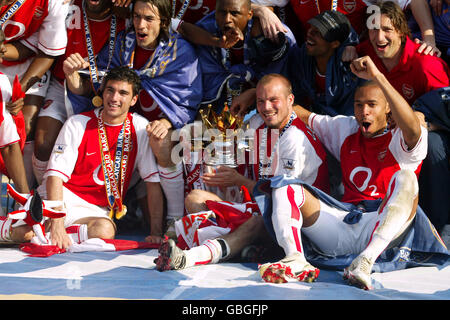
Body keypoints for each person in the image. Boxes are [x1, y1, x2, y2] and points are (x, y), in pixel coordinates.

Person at [253, 55, 449, 289]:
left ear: (388, 107)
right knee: (284, 185)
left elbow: (413, 129)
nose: (364, 111)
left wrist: (379, 77)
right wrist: (255, 97)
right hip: (343, 223)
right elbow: (299, 112)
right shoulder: (345, 128)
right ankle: (296, 259)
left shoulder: (401, 137)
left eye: (372, 105)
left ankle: (365, 262)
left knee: (405, 178)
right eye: (359, 104)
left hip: (383, 229)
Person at [154, 73, 330, 272]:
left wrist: (237, 180)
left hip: (297, 226)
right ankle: (249, 248)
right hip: (263, 210)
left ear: (290, 100)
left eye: (274, 100)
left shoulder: (295, 139)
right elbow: (224, 133)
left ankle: (190, 257)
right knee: (195, 198)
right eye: (261, 101)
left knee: (255, 222)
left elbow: (280, 199)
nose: (266, 107)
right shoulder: (258, 123)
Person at [65, 0, 203, 236]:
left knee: (160, 140)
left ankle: (174, 218)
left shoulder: (181, 52)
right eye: (137, 17)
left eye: (149, 19)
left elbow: (188, 101)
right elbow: (94, 89)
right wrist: (72, 77)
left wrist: (167, 122)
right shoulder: (121, 43)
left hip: (163, 128)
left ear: (164, 22)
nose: (141, 24)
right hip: (125, 128)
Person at [0, 66, 164, 248]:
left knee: (106, 230)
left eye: (123, 93)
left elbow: (152, 182)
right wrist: (57, 222)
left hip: (95, 210)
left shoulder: (140, 127)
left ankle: (45, 235)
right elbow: (55, 178)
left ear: (133, 99)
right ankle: (30, 230)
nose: (114, 98)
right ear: (102, 92)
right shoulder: (78, 123)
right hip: (60, 198)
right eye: (110, 90)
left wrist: (156, 234)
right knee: (26, 234)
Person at [32, 0, 129, 186]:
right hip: (63, 85)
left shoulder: (128, 16)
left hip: (110, 93)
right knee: (44, 144)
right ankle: (40, 195)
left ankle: (119, 201)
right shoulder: (66, 7)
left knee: (113, 150)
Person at [0, 0, 69, 189]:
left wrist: (20, 90)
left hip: (28, 66)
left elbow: (46, 52)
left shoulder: (52, 2)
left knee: (25, 124)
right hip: (6, 58)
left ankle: (26, 198)